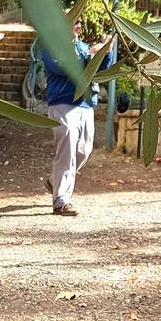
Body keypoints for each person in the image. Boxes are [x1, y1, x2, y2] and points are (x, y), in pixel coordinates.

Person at [41, 18, 115, 217]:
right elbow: (61, 67)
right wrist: (89, 54)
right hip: (63, 104)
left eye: (80, 22)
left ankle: (55, 181)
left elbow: (99, 68)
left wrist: (106, 51)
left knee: (84, 150)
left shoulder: (83, 46)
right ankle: (61, 201)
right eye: (74, 21)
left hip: (85, 104)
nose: (78, 25)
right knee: (67, 152)